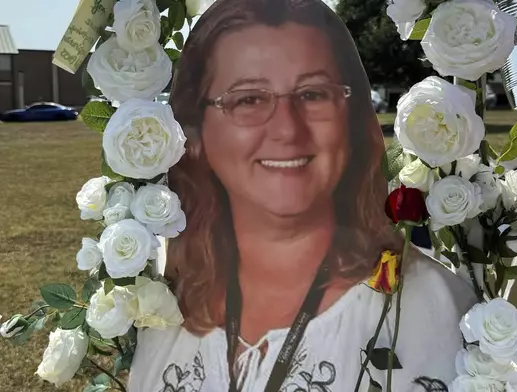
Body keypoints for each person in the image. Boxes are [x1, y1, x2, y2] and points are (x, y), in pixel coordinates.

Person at [128, 0, 477, 391]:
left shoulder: (434, 312)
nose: (287, 130)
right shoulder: (157, 301)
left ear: (350, 117)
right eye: (248, 99)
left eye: (313, 94)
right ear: (195, 133)